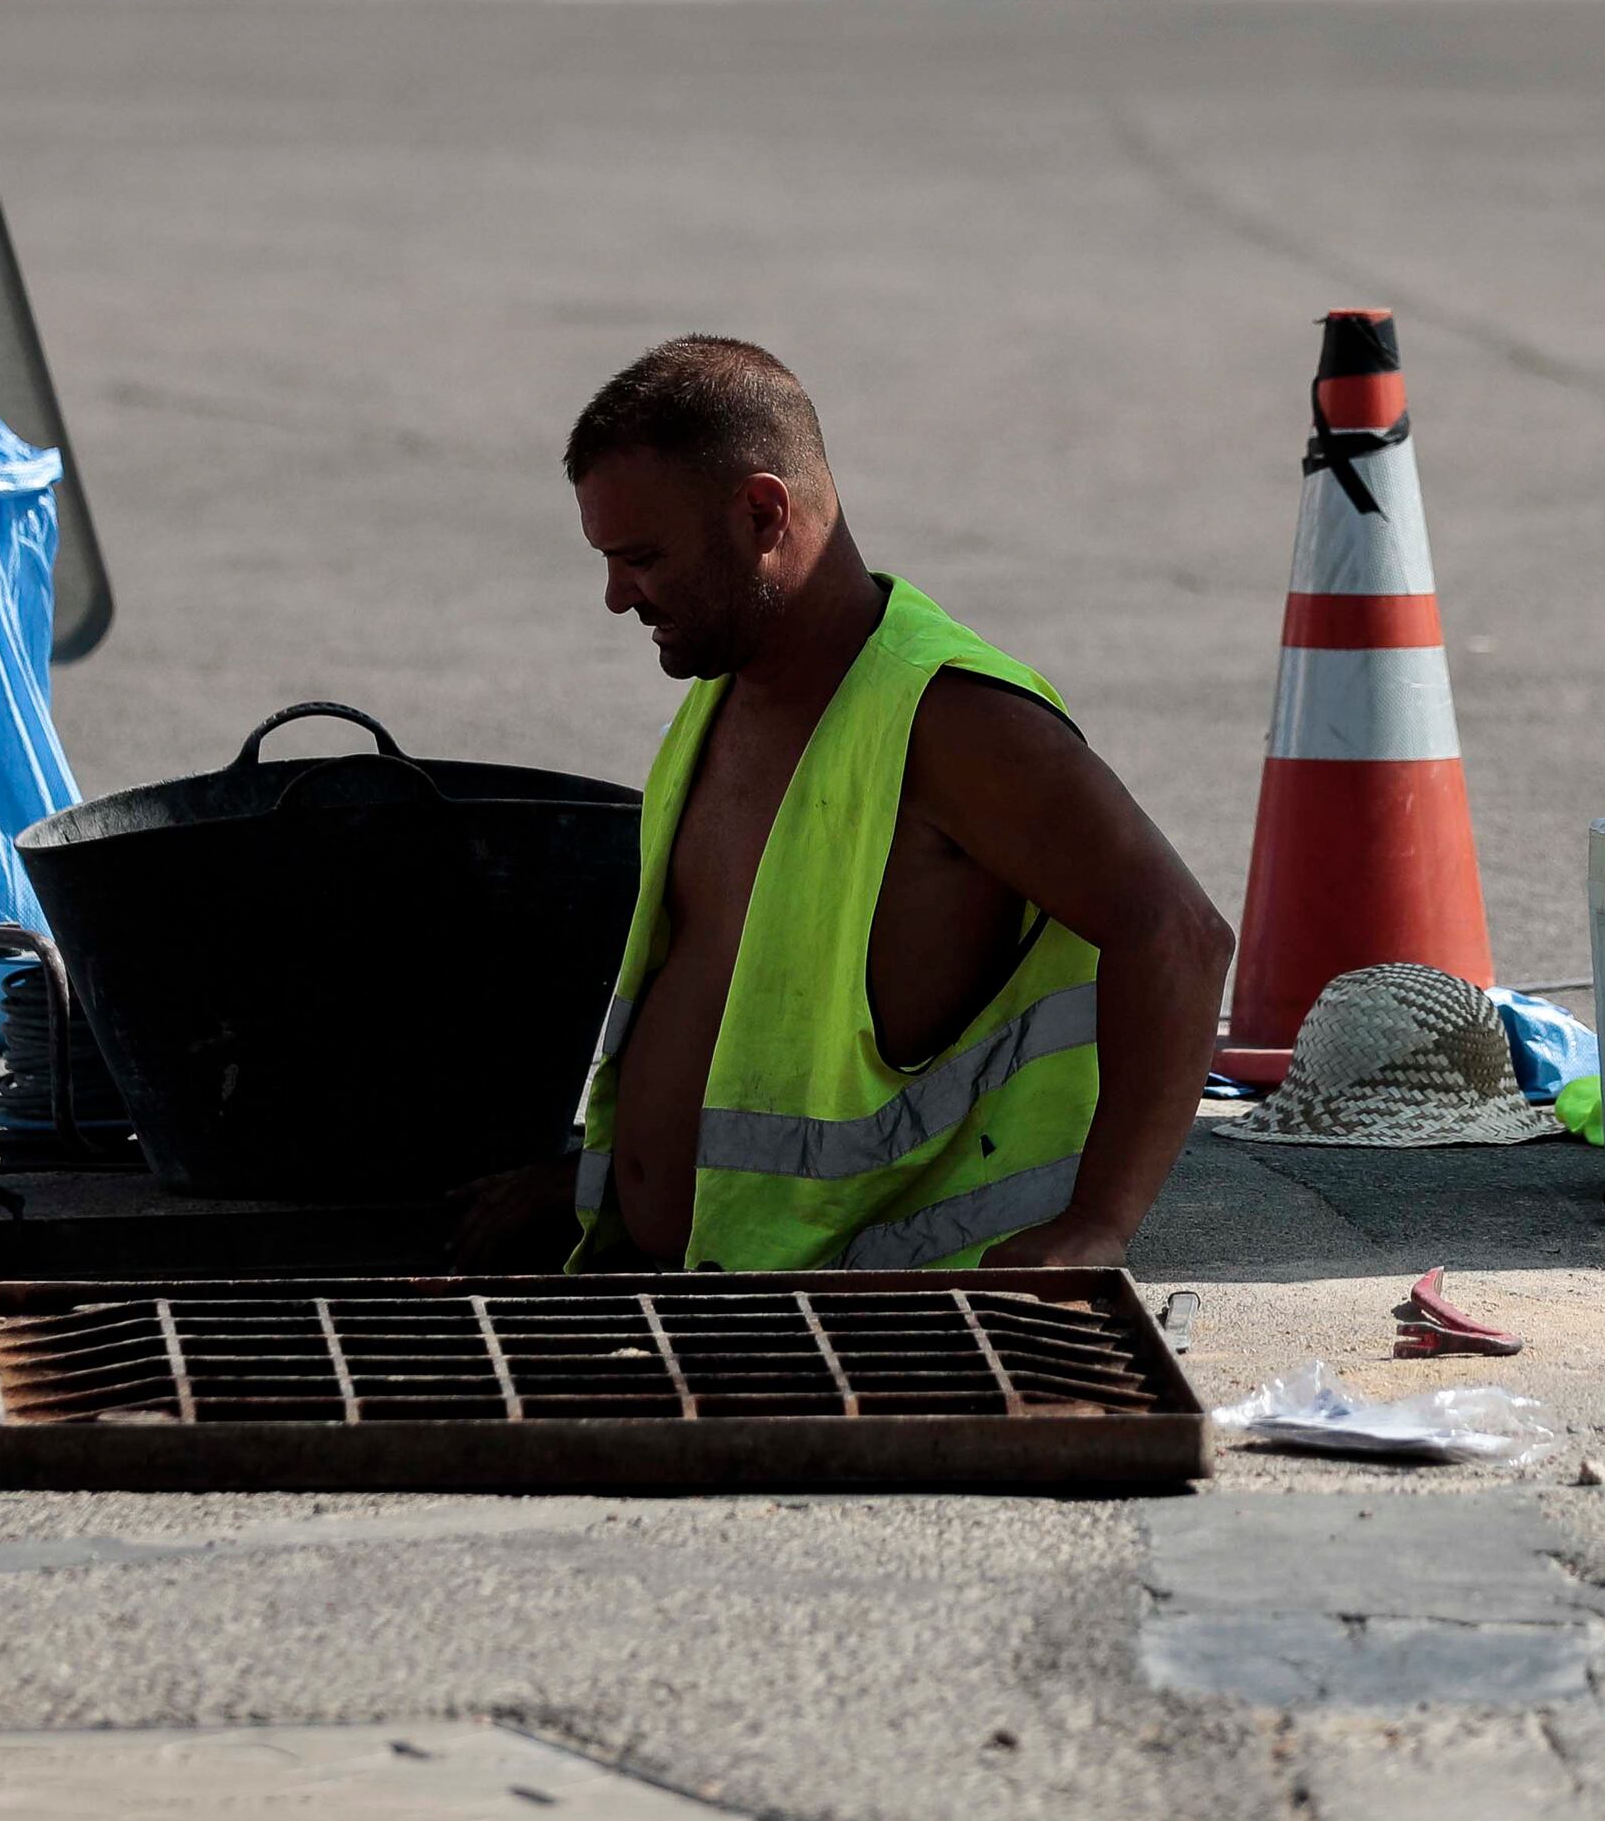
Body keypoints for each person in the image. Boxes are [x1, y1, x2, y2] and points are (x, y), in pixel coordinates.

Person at [455, 338, 1230, 1276]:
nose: (618, 597)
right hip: (712, 1292)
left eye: (643, 558)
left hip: (882, 1314)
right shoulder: (725, 689)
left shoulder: (950, 716)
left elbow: (1179, 933)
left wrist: (1101, 1223)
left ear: (760, 512)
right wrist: (600, 1183)